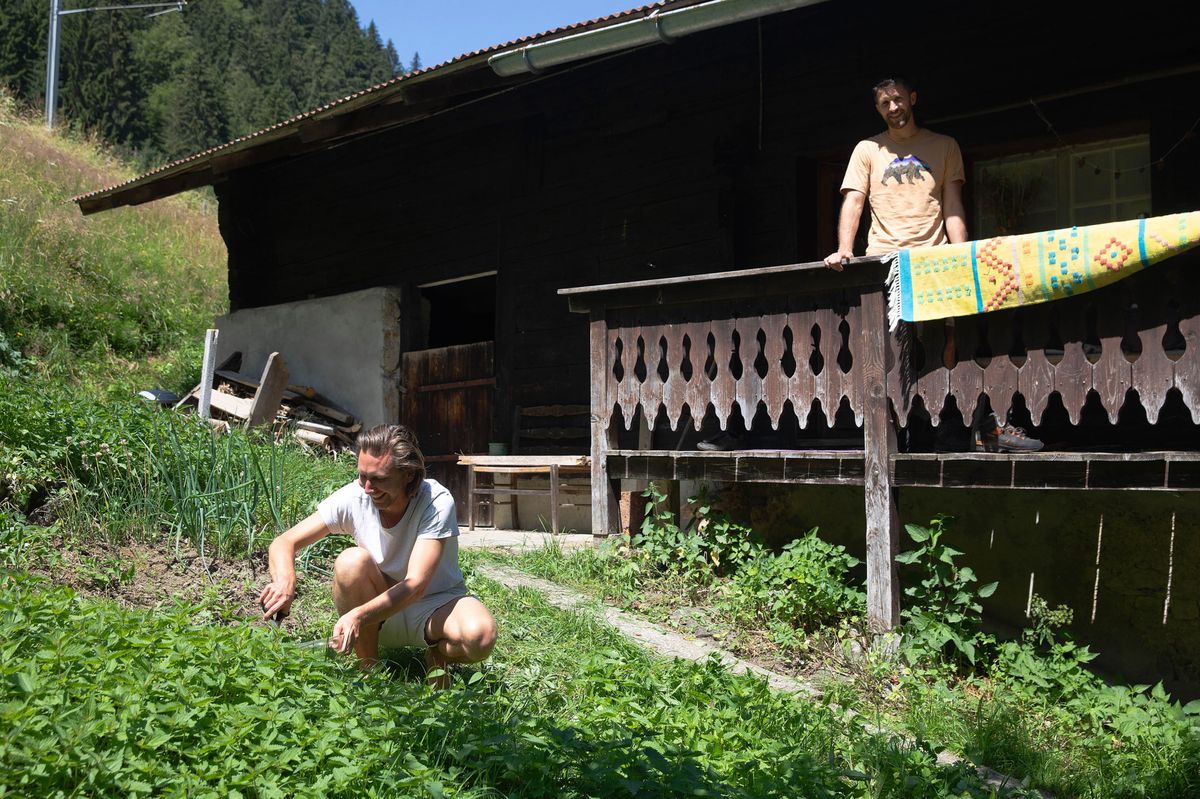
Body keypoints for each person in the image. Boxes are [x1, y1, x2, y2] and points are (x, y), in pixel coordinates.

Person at [260, 424, 497, 678]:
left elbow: (415, 585)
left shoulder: (435, 501)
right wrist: (285, 581)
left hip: (435, 606)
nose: (368, 488)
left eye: (380, 479)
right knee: (351, 561)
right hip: (379, 612)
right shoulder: (355, 496)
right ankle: (370, 673)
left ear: (408, 474)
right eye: (363, 476)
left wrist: (357, 616)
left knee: (480, 636)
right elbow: (284, 542)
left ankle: (438, 655)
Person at [824, 77, 968, 271]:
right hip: (882, 259)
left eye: (898, 99)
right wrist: (844, 249)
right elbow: (854, 202)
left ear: (912, 99)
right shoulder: (866, 149)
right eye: (885, 103)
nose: (893, 108)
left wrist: (961, 252)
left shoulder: (946, 146)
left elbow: (952, 205)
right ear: (878, 109)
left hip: (933, 258)